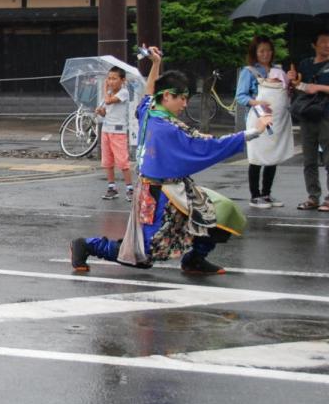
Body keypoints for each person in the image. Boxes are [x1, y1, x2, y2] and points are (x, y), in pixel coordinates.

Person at [70, 47, 271, 276]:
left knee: (220, 215)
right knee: (141, 254)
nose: (185, 104)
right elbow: (207, 148)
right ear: (167, 96)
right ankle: (87, 245)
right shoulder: (167, 128)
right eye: (181, 98)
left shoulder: (151, 110)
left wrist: (156, 64)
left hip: (177, 189)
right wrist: (253, 131)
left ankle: (194, 259)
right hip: (157, 194)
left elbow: (149, 93)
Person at [288, 30, 329, 212]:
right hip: (308, 115)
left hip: (327, 115)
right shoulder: (305, 64)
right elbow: (301, 88)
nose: (327, 45)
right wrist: (293, 81)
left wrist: (319, 87)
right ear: (314, 45)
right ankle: (312, 196)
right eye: (323, 42)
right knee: (309, 159)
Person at [234, 35, 293, 208]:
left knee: (272, 155)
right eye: (261, 51)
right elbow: (241, 96)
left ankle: (266, 193)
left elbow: (287, 91)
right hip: (258, 117)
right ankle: (255, 195)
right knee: (257, 156)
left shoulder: (278, 71)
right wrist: (256, 102)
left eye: (268, 50)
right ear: (255, 53)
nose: (265, 54)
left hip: (276, 119)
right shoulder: (249, 71)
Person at [96, 67, 134, 201]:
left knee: (123, 162)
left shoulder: (123, 92)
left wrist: (105, 90)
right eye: (109, 78)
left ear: (122, 80)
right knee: (107, 161)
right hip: (106, 130)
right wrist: (100, 111)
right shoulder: (110, 93)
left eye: (114, 78)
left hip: (118, 132)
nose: (110, 81)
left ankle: (130, 189)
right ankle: (112, 187)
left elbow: (108, 101)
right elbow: (107, 111)